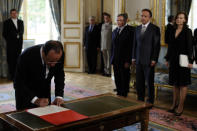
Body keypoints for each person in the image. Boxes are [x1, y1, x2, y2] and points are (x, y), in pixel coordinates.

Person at [14, 40, 65, 110]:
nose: (53, 65)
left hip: (45, 94)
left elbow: (60, 75)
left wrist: (59, 96)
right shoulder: (26, 56)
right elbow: (18, 83)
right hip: (26, 95)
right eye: (50, 61)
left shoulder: (59, 54)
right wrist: (35, 100)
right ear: (43, 53)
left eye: (56, 61)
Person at [165, 12, 193, 116]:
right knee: (175, 84)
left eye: (181, 18)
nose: (179, 19)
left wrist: (190, 61)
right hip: (173, 60)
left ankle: (181, 106)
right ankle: (173, 104)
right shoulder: (172, 30)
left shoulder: (188, 31)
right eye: (177, 18)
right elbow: (170, 46)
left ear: (185, 20)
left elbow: (190, 47)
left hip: (184, 60)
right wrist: (167, 59)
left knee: (183, 84)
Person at [132, 9, 161, 104]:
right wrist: (133, 57)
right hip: (139, 60)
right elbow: (134, 44)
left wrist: (154, 59)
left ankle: (150, 101)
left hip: (149, 60)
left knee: (149, 82)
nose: (143, 18)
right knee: (139, 82)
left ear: (150, 18)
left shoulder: (155, 29)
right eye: (142, 16)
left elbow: (157, 46)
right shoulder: (137, 28)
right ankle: (140, 99)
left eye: (145, 16)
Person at [111, 14, 135, 97]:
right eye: (118, 20)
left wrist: (128, 61)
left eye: (121, 20)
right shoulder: (114, 31)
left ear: (125, 20)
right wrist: (112, 59)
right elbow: (112, 46)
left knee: (124, 77)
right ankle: (119, 92)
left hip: (125, 60)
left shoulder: (131, 30)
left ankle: (124, 94)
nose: (119, 22)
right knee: (117, 76)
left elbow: (131, 47)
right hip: (115, 59)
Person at [3, 9, 24, 80]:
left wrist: (18, 36)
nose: (14, 14)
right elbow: (4, 34)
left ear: (17, 14)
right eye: (12, 13)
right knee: (11, 60)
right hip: (11, 45)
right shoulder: (6, 22)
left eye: (15, 13)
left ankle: (18, 75)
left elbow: (21, 32)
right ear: (10, 14)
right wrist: (13, 38)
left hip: (19, 45)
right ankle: (11, 76)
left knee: (18, 60)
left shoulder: (21, 22)